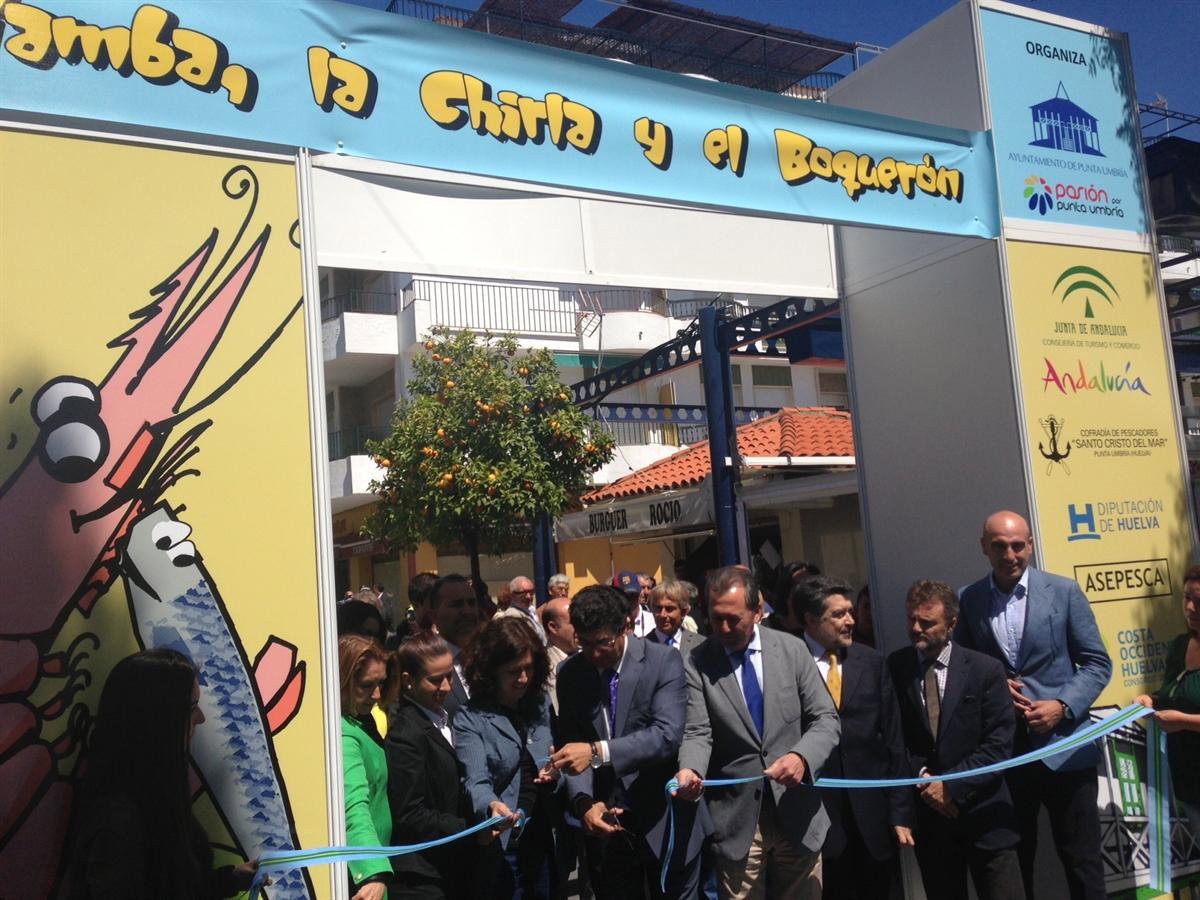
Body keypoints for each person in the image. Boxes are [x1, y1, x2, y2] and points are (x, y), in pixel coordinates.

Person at [956, 510, 1112, 900]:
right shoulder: (969, 599)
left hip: (1065, 750)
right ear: (984, 548)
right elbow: (963, 669)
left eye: (1017, 546)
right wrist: (993, 687)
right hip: (1007, 756)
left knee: (1082, 863)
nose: (1009, 555)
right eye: (999, 546)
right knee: (1013, 864)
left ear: (1031, 545)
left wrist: (1062, 704)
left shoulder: (1063, 592)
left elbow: (1097, 663)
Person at [673, 566, 840, 900]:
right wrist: (690, 768)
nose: (723, 628)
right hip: (738, 821)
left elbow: (825, 719)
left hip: (798, 813)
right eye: (716, 618)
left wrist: (801, 757)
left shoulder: (792, 650)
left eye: (733, 619)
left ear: (758, 611)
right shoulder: (697, 662)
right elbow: (697, 730)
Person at [551, 585, 707, 898]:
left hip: (665, 820)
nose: (594, 653)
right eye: (585, 643)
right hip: (608, 829)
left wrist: (598, 751)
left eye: (603, 642)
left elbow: (666, 735)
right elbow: (572, 748)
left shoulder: (663, 661)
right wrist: (584, 802)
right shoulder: (570, 673)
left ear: (625, 626)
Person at [65, 649, 260, 900]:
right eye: (191, 708)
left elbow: (176, 888)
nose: (201, 718)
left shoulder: (154, 790)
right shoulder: (118, 819)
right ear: (158, 719)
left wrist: (231, 880)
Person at [889, 580, 1023, 900]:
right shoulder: (896, 668)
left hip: (986, 817)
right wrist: (925, 779)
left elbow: (999, 745)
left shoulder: (984, 670)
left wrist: (952, 786)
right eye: (911, 619)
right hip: (933, 823)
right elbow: (894, 738)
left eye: (927, 622)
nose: (916, 629)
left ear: (951, 624)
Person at [794, 576, 912, 900]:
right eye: (839, 614)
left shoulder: (872, 662)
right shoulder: (789, 664)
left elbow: (894, 740)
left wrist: (900, 812)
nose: (851, 621)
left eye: (850, 612)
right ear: (810, 619)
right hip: (816, 818)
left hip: (873, 819)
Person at [454, 617, 559, 899]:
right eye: (514, 672)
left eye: (529, 669)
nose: (523, 679)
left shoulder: (540, 703)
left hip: (544, 839)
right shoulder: (471, 717)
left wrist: (555, 771)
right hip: (505, 846)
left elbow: (550, 755)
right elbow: (475, 779)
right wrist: (491, 805)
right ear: (491, 671)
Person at [387, 631, 474, 899]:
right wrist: (469, 828)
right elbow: (410, 813)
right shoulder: (406, 734)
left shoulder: (443, 720)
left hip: (450, 866)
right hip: (422, 876)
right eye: (435, 680)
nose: (446, 687)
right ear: (408, 681)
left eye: (449, 676)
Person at [1135, 564, 1200, 836]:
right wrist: (1149, 700)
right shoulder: (1179, 645)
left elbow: (1183, 712)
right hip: (1187, 783)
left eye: (1199, 601)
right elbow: (1172, 695)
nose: (1191, 608)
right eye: (1186, 598)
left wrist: (1183, 722)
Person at [340, 634, 398, 900]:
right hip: (361, 878)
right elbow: (353, 806)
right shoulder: (343, 734)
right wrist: (373, 873)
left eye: (380, 683)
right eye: (366, 685)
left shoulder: (362, 721)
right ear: (341, 681)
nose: (376, 695)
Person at [427, 574, 481, 718]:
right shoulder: (425, 662)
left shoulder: (489, 655)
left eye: (472, 603)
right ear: (434, 616)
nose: (467, 611)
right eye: (457, 605)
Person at [541, 595, 577, 714]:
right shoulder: (545, 666)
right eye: (573, 622)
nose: (581, 626)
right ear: (553, 627)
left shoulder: (587, 655)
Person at [648, 580, 704, 654]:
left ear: (683, 612)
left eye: (669, 609)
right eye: (658, 608)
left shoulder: (700, 645)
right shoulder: (641, 647)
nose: (663, 615)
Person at [498, 575, 547, 644]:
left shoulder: (530, 610)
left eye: (531, 592)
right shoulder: (513, 615)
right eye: (523, 593)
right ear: (512, 595)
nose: (528, 596)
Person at [614, 571, 654, 638]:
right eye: (623, 596)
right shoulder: (608, 624)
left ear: (640, 593)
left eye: (633, 595)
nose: (629, 600)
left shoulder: (653, 621)